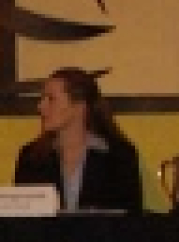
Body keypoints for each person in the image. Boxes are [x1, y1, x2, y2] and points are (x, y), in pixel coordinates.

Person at [12, 68, 142, 212]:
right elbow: (21, 222)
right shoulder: (31, 158)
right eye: (42, 99)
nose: (40, 106)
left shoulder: (119, 157)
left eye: (51, 99)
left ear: (79, 105)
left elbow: (131, 222)